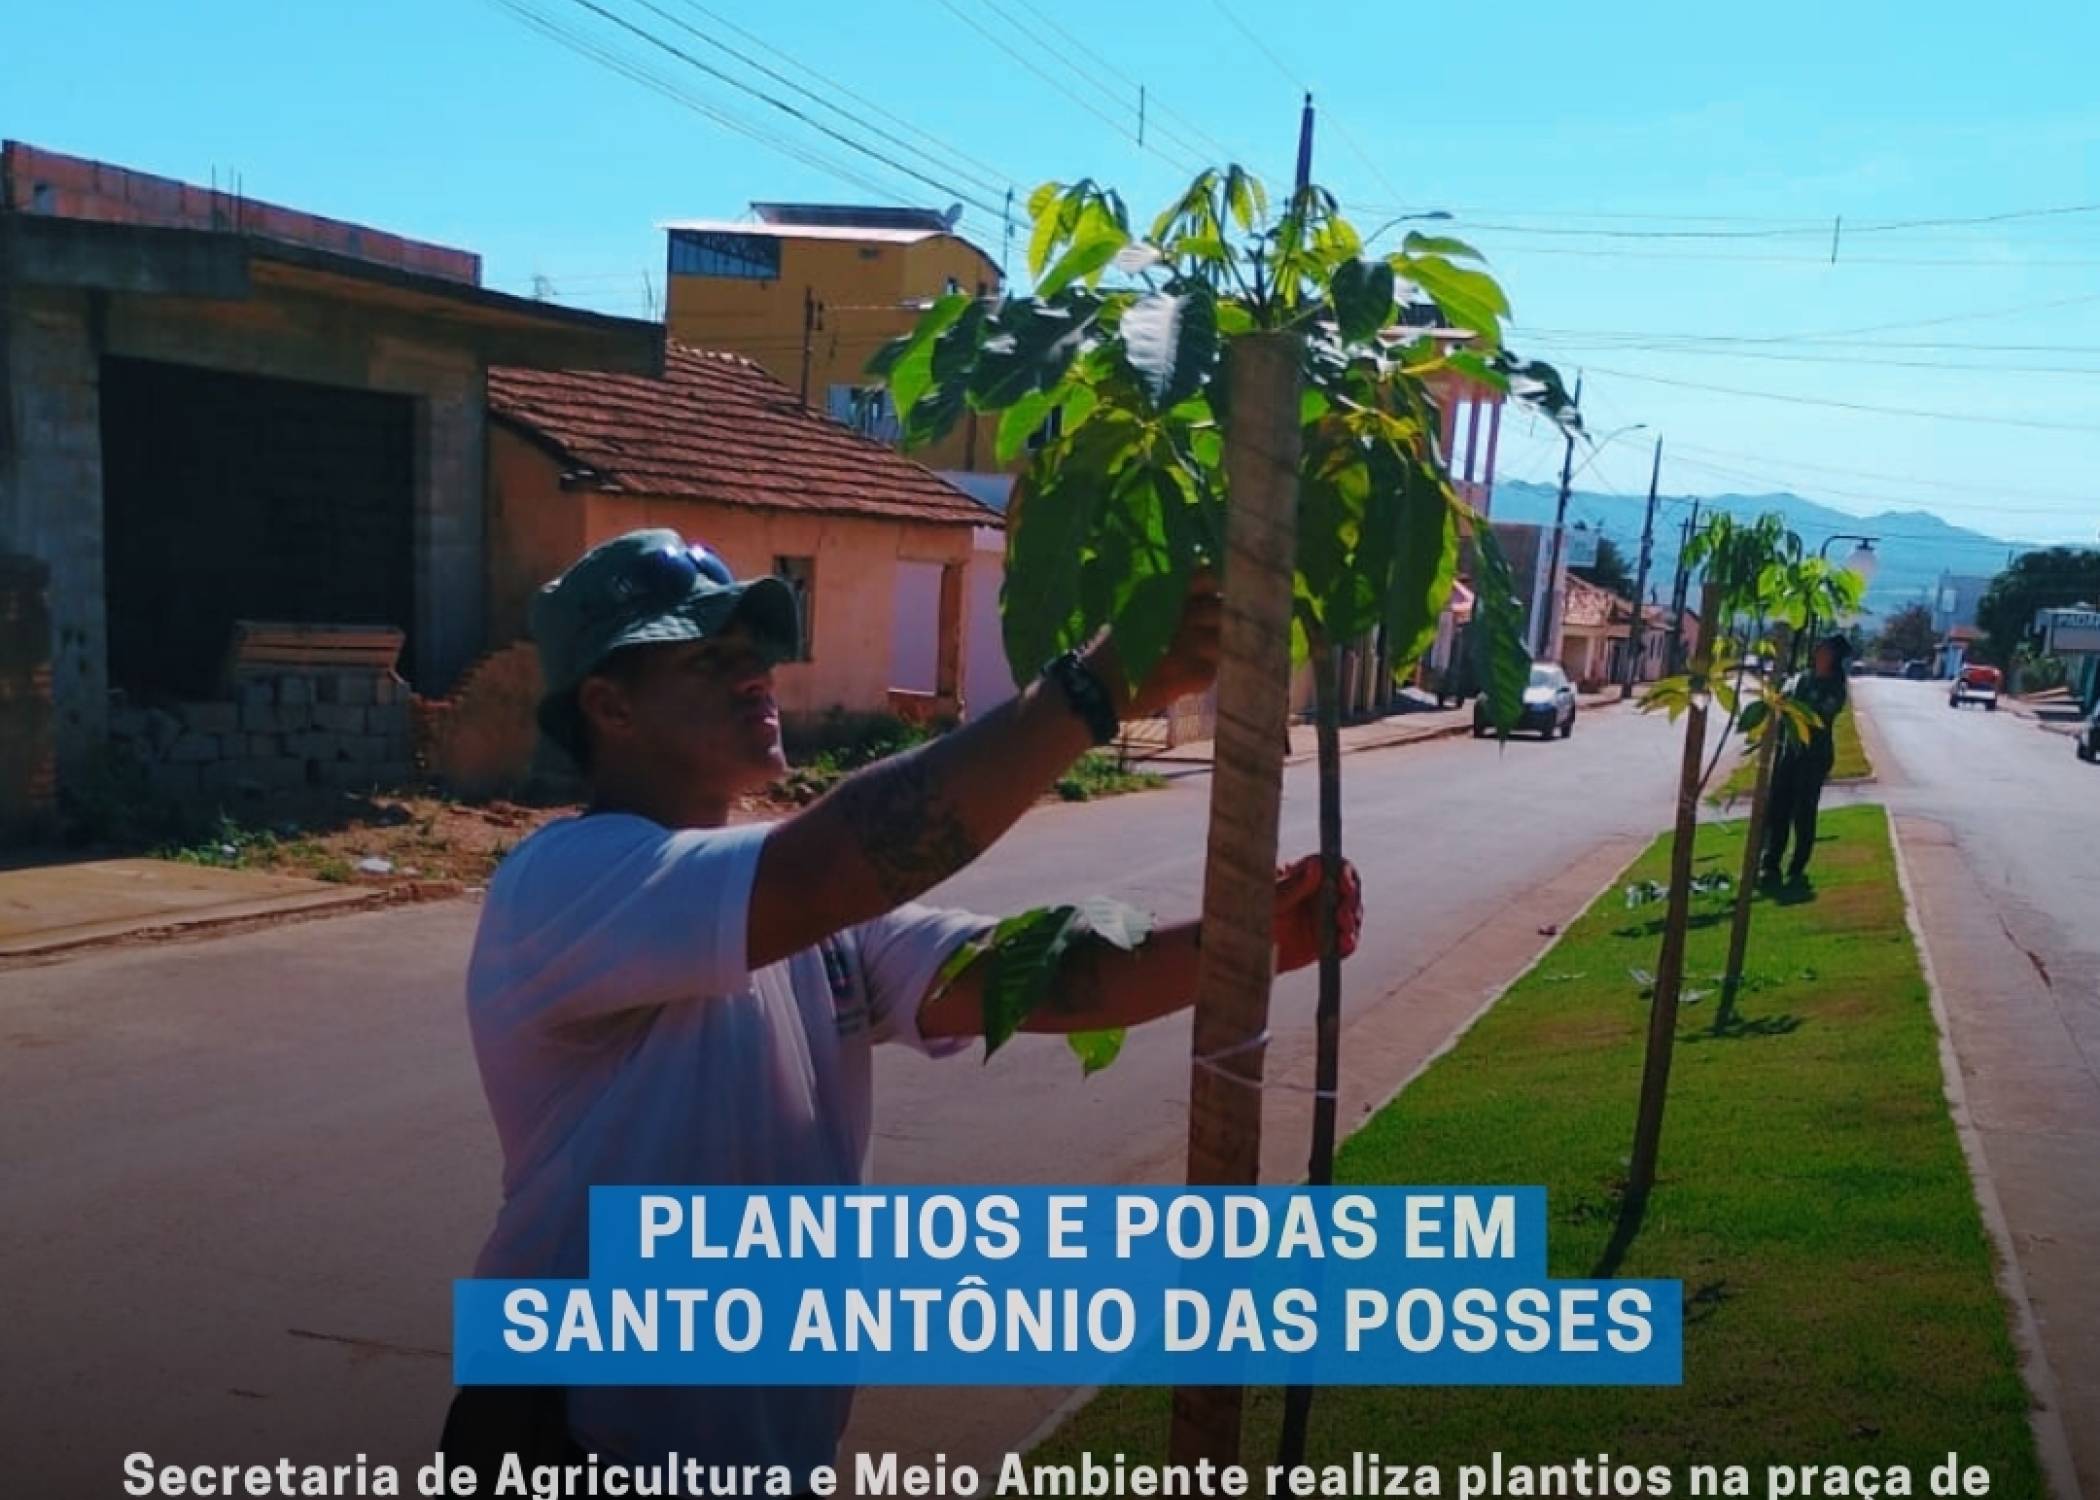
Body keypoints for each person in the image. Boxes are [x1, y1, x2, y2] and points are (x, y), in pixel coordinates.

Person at [443, 529, 1362, 1489]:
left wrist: (1248, 944)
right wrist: (1089, 694)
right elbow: (854, 853)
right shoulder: (567, 883)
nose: (756, 675)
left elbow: (1037, 978)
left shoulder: (803, 912)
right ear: (608, 706)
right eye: (709, 658)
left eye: (754, 651)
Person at [1761, 632, 1852, 885]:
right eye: (1818, 649)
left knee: (1804, 811)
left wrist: (1793, 709)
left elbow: (1819, 717)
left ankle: (1797, 868)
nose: (1818, 654)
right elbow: (1783, 700)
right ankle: (1770, 863)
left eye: (1825, 651)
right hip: (1791, 750)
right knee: (1778, 806)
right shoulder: (1803, 679)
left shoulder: (1835, 687)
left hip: (1815, 756)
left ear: (1834, 658)